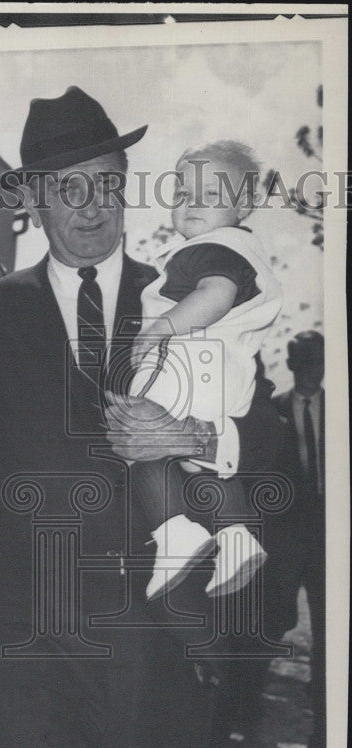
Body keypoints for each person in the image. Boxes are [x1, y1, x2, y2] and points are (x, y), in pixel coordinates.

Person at [0, 86, 284, 748]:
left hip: (158, 649)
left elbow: (278, 448)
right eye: (66, 188)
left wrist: (193, 432)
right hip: (31, 653)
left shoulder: (191, 295)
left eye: (105, 183)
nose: (89, 207)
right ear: (34, 199)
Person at [128, 141, 282, 600]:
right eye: (181, 191)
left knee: (143, 447)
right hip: (221, 382)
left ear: (243, 205)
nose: (191, 202)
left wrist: (159, 327)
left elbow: (215, 294)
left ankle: (176, 535)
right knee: (204, 471)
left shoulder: (211, 249)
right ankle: (236, 540)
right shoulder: (238, 247)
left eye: (210, 194)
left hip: (187, 367)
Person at [268, 330, 325, 748]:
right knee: (271, 625)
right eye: (304, 361)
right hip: (287, 538)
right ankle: (247, 717)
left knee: (329, 634)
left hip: (328, 537)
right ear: (291, 365)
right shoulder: (276, 411)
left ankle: (324, 733)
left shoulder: (340, 408)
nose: (313, 368)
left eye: (318, 360)